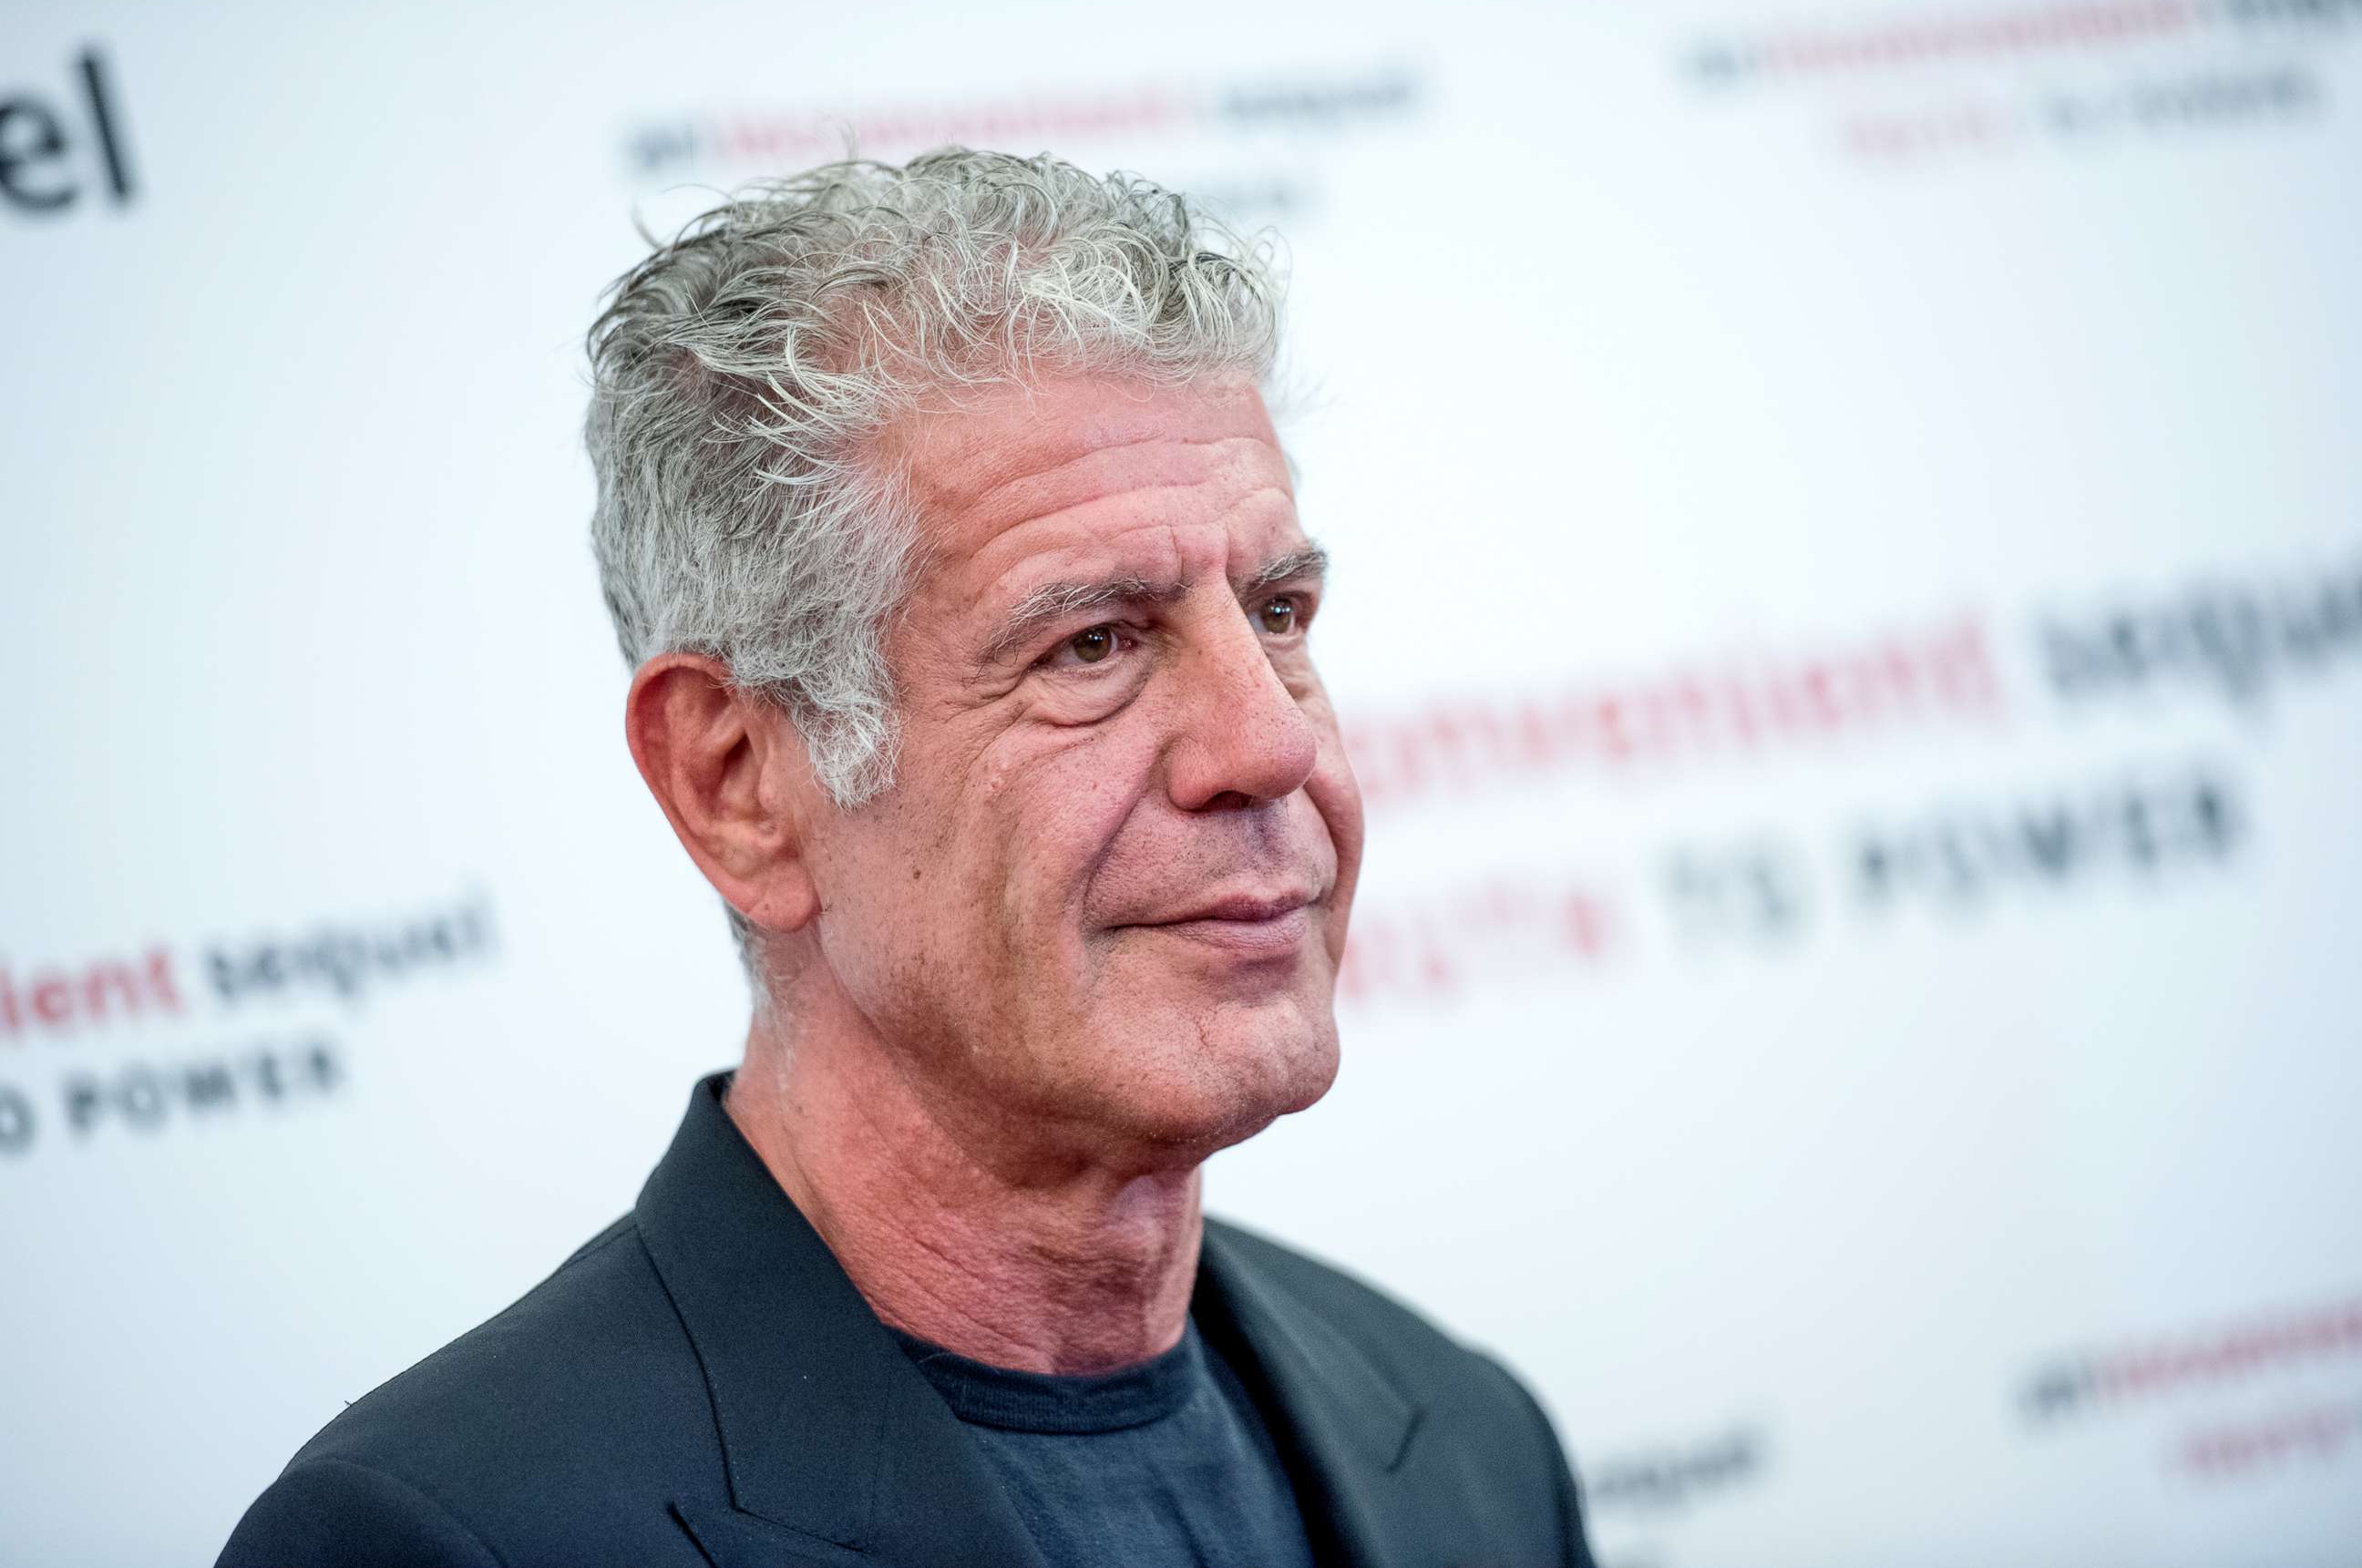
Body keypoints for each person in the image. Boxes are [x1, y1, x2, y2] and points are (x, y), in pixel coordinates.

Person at [218, 147, 1597, 1568]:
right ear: (738, 783)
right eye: (1093, 644)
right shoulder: (450, 1540)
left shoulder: (1471, 1439)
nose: (1270, 746)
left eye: (1282, 613)